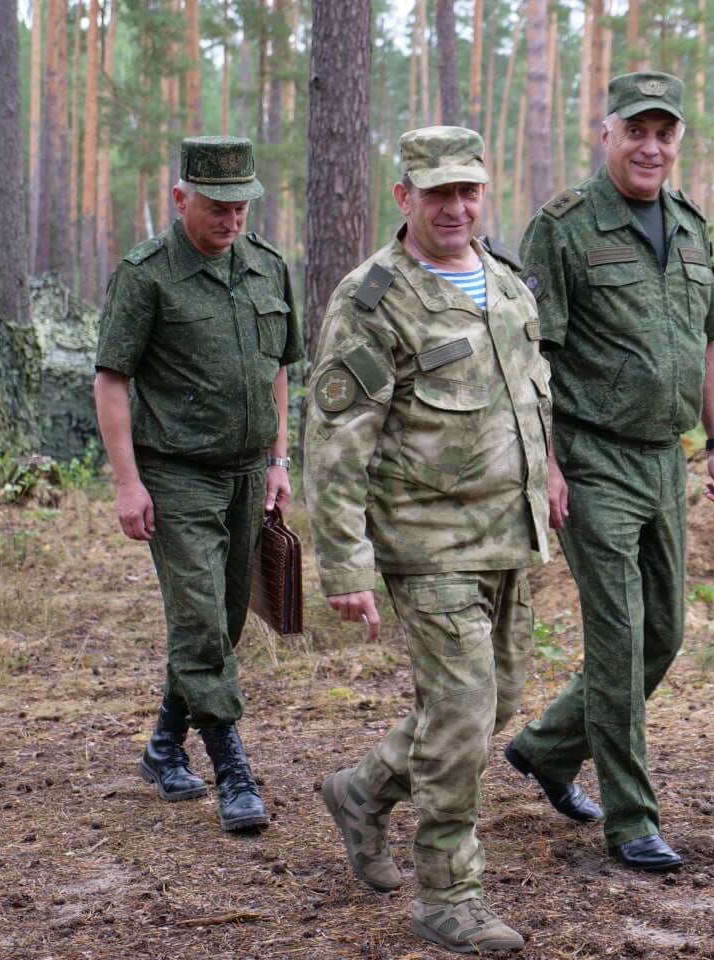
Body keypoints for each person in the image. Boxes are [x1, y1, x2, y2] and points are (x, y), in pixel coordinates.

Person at [303, 126, 550, 954]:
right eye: (438, 192)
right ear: (404, 196)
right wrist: (345, 562)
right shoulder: (372, 299)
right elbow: (338, 440)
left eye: (467, 191)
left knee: (492, 705)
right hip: (427, 540)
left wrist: (549, 482)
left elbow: (528, 400)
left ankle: (363, 791)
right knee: (462, 715)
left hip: (508, 536)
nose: (455, 207)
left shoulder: (505, 282)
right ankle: (449, 894)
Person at [505, 71, 714, 873]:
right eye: (635, 131)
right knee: (617, 637)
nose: (650, 147)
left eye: (664, 133)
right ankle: (632, 819)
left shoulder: (690, 225)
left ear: (677, 141)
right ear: (606, 134)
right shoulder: (564, 227)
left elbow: (709, 340)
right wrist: (546, 464)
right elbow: (531, 358)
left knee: (662, 634)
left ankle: (545, 747)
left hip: (665, 458)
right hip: (592, 457)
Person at [93, 135, 303, 833]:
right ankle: (232, 770)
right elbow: (112, 380)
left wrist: (278, 460)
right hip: (176, 473)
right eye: (217, 206)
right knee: (200, 620)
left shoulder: (268, 267)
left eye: (242, 206)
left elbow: (278, 370)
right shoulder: (147, 274)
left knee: (225, 619)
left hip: (246, 474)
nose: (232, 219)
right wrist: (128, 483)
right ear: (181, 198)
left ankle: (163, 746)